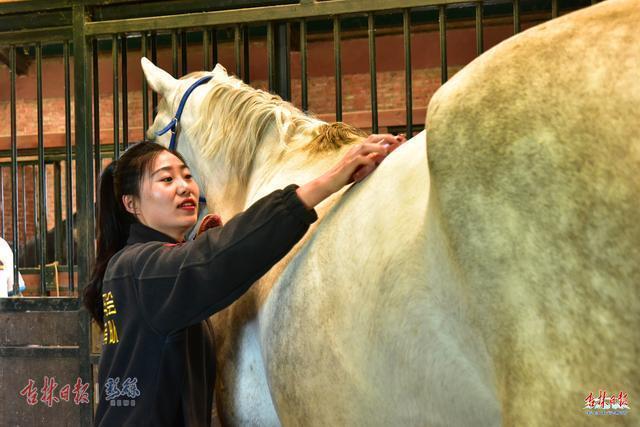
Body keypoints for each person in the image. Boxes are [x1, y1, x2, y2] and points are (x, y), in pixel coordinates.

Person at [83, 133, 405, 426]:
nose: (185, 186)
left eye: (187, 175)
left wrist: (193, 248)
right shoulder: (141, 268)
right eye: (166, 179)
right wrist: (329, 180)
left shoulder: (131, 266)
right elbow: (217, 258)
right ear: (131, 203)